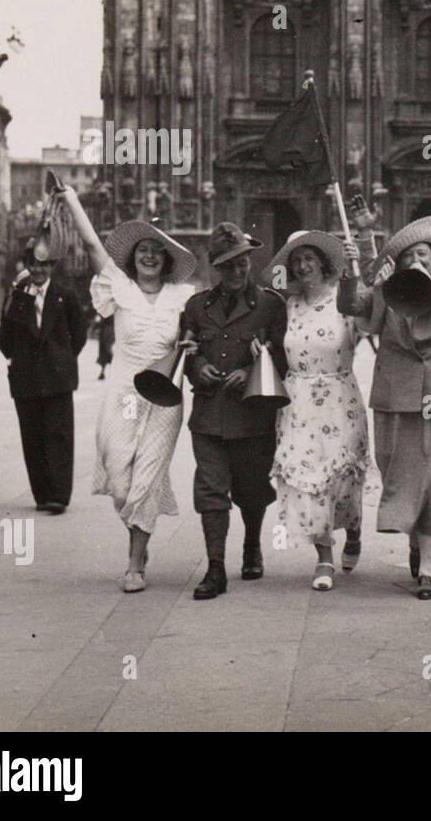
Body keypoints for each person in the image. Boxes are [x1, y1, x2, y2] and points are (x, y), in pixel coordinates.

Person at [60, 186, 198, 591]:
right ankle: (141, 530)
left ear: (167, 258)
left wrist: (192, 345)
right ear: (133, 258)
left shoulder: (183, 296)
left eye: (157, 251)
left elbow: (201, 333)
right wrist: (70, 199)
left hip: (164, 394)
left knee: (147, 478)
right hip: (124, 390)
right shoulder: (117, 286)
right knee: (120, 478)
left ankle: (135, 561)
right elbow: (89, 242)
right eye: (142, 251)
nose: (150, 256)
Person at [339, 216, 431, 600]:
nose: (418, 260)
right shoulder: (388, 290)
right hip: (395, 395)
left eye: (424, 255)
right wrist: (353, 268)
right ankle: (417, 541)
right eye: (411, 255)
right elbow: (356, 309)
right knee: (395, 469)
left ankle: (429, 567)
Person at [180, 223, 288, 601]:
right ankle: (214, 568)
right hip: (209, 415)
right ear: (214, 267)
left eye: (243, 263)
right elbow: (187, 353)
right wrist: (198, 369)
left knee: (252, 489)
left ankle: (252, 546)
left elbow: (282, 359)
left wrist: (251, 371)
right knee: (211, 491)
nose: (238, 272)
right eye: (228, 266)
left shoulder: (272, 306)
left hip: (252, 414)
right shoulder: (195, 307)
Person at [265, 229, 375, 592]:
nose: (303, 266)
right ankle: (324, 556)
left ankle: (354, 529)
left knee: (342, 477)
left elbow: (369, 310)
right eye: (296, 261)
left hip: (339, 396)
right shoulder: (289, 304)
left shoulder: (344, 300)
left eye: (309, 258)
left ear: (323, 263)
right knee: (306, 478)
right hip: (298, 401)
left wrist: (362, 251)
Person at [0, 237, 88, 516]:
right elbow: (6, 340)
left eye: (44, 265)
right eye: (33, 265)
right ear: (27, 266)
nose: (38, 271)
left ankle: (59, 496)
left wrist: (61, 358)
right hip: (25, 378)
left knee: (59, 436)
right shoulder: (19, 295)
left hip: (58, 377)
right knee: (33, 437)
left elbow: (79, 335)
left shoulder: (66, 294)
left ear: (52, 266)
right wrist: (19, 298)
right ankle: (42, 494)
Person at [96, 314, 115, 380]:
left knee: (107, 350)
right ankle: (102, 372)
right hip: (106, 330)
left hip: (109, 330)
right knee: (104, 351)